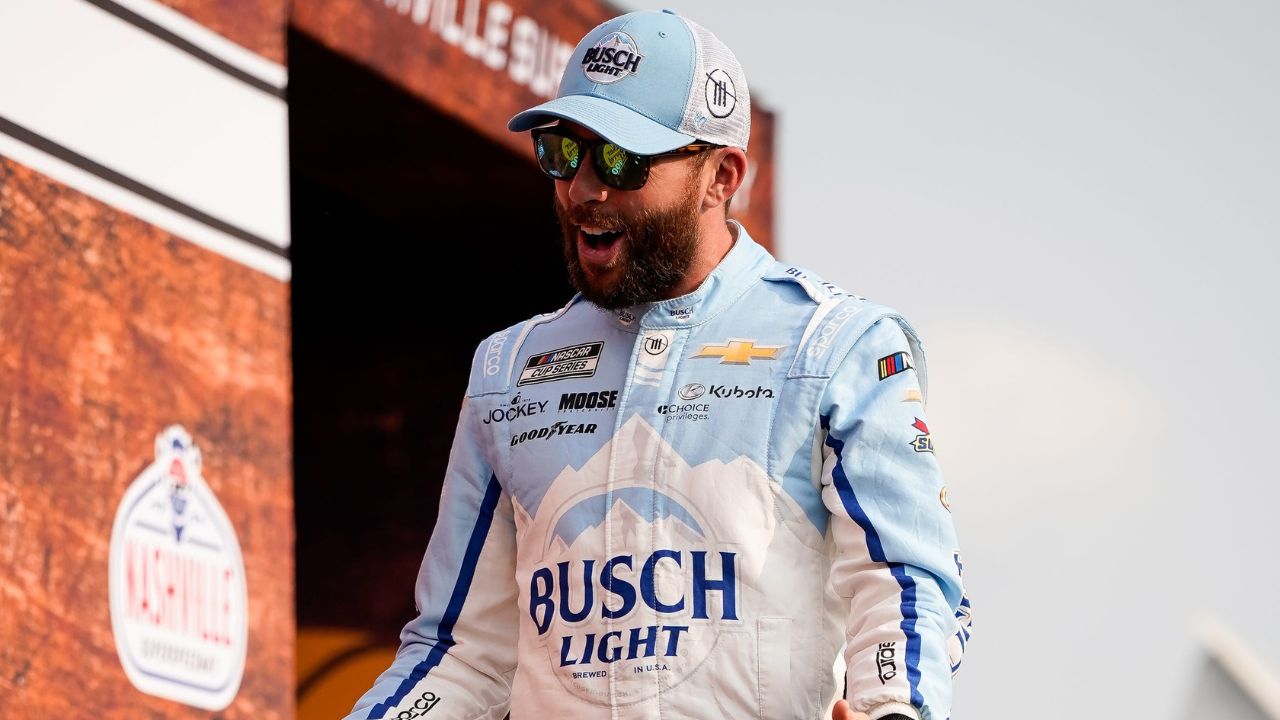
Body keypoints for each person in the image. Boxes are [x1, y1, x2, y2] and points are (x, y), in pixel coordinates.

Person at [342, 8, 972, 720]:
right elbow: (460, 654)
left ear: (720, 176)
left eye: (621, 159)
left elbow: (905, 584)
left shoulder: (838, 346)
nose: (584, 189)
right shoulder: (508, 370)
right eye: (562, 152)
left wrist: (893, 708)